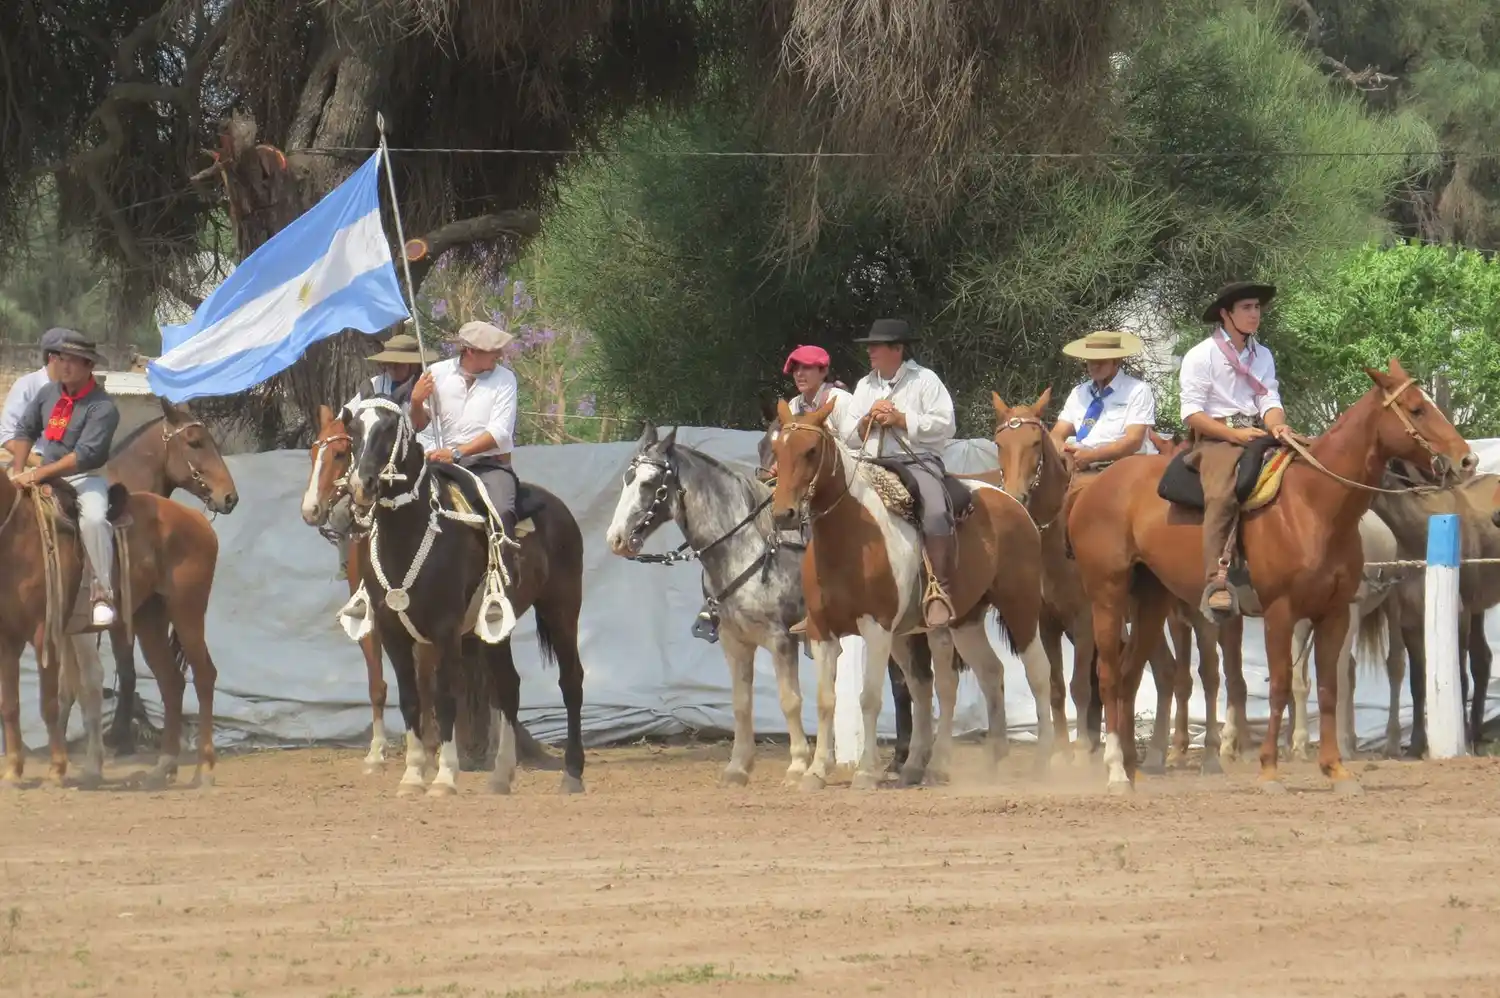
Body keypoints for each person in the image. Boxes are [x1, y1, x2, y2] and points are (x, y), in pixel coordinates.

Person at [1178, 281, 1295, 618]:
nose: (1255, 314)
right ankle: (1216, 580)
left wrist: (1277, 425)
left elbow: (1268, 398)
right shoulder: (1201, 355)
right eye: (1247, 308)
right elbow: (1192, 413)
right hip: (1216, 438)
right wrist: (1233, 435)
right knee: (1222, 493)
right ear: (1226, 314)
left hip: (1257, 431)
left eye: (1257, 308)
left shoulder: (1264, 355)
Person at [843, 318, 958, 628]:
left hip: (917, 461)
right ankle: (823, 592)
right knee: (825, 502)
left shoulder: (926, 380)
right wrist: (868, 419)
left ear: (898, 349)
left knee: (934, 511)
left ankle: (938, 591)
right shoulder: (865, 385)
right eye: (870, 347)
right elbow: (848, 433)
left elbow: (946, 425)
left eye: (876, 346)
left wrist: (900, 418)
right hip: (869, 463)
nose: (871, 352)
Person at [4, 331, 122, 627]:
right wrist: (18, 468)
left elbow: (84, 455)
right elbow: (25, 430)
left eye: (73, 361)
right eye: (62, 359)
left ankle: (102, 594)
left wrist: (37, 473)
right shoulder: (48, 393)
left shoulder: (103, 407)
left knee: (94, 519)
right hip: (43, 471)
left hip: (84, 478)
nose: (64, 366)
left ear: (88, 366)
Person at [409, 319, 521, 622]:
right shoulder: (436, 374)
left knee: (502, 510)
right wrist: (416, 401)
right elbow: (419, 424)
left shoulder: (505, 379)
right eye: (491, 352)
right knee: (398, 501)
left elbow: (499, 433)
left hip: (486, 464)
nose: (497, 357)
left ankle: (500, 586)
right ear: (470, 351)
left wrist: (457, 452)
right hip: (436, 462)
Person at [327, 331, 432, 579]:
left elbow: (425, 425)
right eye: (389, 362)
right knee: (341, 512)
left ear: (414, 363)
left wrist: (417, 401)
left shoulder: (425, 388)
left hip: (414, 467)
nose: (393, 367)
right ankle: (349, 566)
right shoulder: (373, 386)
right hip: (373, 465)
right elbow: (346, 418)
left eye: (399, 362)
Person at [1050, 330, 1157, 503]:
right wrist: (1063, 450)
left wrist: (1092, 456)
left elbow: (1133, 441)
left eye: (1100, 361)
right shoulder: (1079, 392)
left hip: (1122, 468)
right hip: (1078, 466)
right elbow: (1056, 433)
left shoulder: (1137, 390)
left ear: (1116, 362)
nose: (1094, 366)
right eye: (1090, 361)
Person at [764, 344, 853, 481]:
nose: (799, 374)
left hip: (840, 483)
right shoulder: (793, 406)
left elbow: (853, 449)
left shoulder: (840, 400)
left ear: (823, 371)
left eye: (806, 367)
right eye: (795, 369)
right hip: (804, 481)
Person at [0, 327, 73, 468]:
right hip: (30, 465)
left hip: (69, 467)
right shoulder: (26, 386)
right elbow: (7, 436)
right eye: (70, 358)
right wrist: (40, 464)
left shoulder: (78, 389)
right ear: (53, 358)